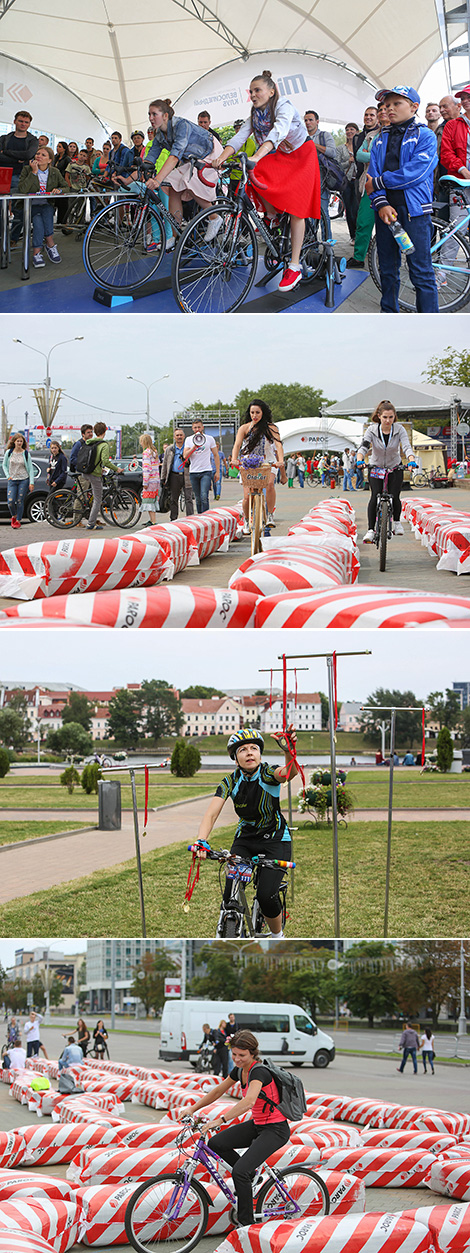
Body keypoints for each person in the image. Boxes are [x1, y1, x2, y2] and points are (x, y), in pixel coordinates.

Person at [214, 75, 321, 294]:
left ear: (271, 91)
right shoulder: (255, 114)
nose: (252, 95)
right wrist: (220, 158)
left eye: (257, 90)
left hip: (303, 155)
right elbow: (239, 138)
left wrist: (258, 154)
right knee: (253, 177)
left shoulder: (283, 106)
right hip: (282, 155)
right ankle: (272, 216)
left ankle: (294, 266)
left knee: (296, 208)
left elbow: (278, 131)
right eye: (250, 92)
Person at [195, 726, 298, 938]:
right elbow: (211, 814)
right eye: (242, 749)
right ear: (235, 758)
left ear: (260, 754)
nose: (249, 752)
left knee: (266, 895)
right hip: (246, 840)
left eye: (254, 748)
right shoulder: (230, 781)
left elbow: (289, 772)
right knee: (230, 894)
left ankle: (278, 937)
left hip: (275, 840)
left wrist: (288, 751)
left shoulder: (268, 773)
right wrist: (201, 841)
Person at [186, 1029, 291, 1226]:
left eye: (242, 1055)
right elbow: (218, 1090)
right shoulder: (238, 1070)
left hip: (275, 1129)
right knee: (216, 1143)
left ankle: (247, 1224)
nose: (237, 1059)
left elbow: (250, 1101)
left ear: (252, 1053)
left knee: (239, 1172)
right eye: (234, 1054)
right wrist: (192, 1108)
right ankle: (250, 1175)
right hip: (258, 1124)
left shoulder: (258, 1071)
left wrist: (221, 1120)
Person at [366, 86, 439, 313]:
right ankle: (389, 315)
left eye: (397, 104)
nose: (390, 109)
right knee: (388, 269)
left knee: (421, 271)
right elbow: (372, 173)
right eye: (387, 105)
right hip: (386, 212)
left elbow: (415, 173)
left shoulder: (425, 135)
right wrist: (381, 203)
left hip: (414, 211)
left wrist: (377, 184)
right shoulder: (379, 139)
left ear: (414, 107)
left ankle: (429, 324)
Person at [144, 99, 223, 245]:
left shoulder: (182, 125)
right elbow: (152, 155)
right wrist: (143, 167)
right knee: (172, 184)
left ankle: (214, 217)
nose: (150, 118)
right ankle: (175, 234)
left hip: (211, 153)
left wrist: (157, 180)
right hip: (194, 159)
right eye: (149, 114)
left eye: (154, 114)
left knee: (188, 181)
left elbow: (175, 156)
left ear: (165, 116)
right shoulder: (160, 134)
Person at [356, 400, 416, 542]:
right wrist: (360, 459)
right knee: (374, 495)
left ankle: (396, 522)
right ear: (379, 416)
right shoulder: (372, 430)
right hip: (376, 467)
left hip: (394, 466)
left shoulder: (399, 429)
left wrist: (411, 460)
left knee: (395, 495)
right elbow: (364, 446)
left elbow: (406, 446)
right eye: (385, 417)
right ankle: (371, 530)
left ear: (395, 416)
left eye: (391, 417)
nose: (388, 420)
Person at [231, 399, 286, 531]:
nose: (254, 415)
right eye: (252, 412)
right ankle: (245, 520)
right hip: (249, 463)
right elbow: (237, 445)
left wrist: (281, 461)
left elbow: (278, 445)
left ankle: (270, 514)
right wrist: (234, 459)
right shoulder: (244, 428)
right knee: (246, 496)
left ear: (263, 413)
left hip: (268, 463)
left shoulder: (271, 428)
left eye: (257, 412)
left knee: (270, 484)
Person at [18, 145, 67, 267]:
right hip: (30, 205)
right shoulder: (27, 170)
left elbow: (66, 186)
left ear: (50, 160)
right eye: (37, 154)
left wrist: (59, 190)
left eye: (43, 155)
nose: (38, 156)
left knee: (39, 220)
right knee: (40, 215)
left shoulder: (54, 172)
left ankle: (36, 253)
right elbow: (23, 189)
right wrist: (34, 172)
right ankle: (50, 244)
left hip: (45, 204)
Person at [346, 105, 382, 268]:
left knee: (388, 225)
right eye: (381, 110)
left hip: (390, 185)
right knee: (363, 222)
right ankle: (359, 257)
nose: (384, 113)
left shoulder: (402, 133)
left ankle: (385, 258)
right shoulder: (370, 135)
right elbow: (360, 155)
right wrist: (381, 156)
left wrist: (373, 156)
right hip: (368, 183)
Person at [0, 110, 39, 248]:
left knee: (19, 210)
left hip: (21, 177)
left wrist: (6, 153)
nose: (23, 124)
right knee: (1, 209)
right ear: (15, 121)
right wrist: (18, 158)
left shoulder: (32, 140)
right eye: (21, 121)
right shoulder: (4, 138)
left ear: (29, 124)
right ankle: (2, 236)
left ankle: (13, 237)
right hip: (3, 177)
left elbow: (29, 154)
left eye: (26, 122)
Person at [81, 421, 123, 531]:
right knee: (98, 499)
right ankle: (91, 523)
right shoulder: (103, 444)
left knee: (92, 496)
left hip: (85, 472)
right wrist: (116, 469)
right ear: (105, 431)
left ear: (95, 432)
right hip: (94, 474)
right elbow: (105, 461)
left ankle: (86, 513)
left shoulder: (89, 442)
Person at [303, 109, 337, 237]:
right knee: (309, 215)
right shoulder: (301, 137)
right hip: (306, 180)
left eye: (310, 120)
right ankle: (312, 247)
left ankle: (328, 246)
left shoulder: (324, 135)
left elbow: (332, 153)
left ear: (317, 121)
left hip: (322, 179)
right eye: (305, 120)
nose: (308, 123)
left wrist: (313, 145)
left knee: (323, 213)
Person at [183, 418, 220, 515]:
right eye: (195, 427)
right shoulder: (189, 439)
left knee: (204, 496)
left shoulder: (209, 438)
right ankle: (200, 517)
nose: (197, 429)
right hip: (193, 472)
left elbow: (216, 455)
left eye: (199, 427)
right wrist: (194, 447)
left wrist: (217, 472)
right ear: (192, 428)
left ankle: (206, 517)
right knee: (198, 498)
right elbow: (185, 455)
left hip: (206, 471)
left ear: (202, 427)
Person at [2, 432, 35, 529]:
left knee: (20, 500)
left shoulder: (25, 453)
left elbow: (30, 468)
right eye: (18, 441)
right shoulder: (9, 452)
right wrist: (8, 475)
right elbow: (4, 465)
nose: (19, 443)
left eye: (21, 441)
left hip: (23, 480)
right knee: (11, 501)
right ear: (14, 442)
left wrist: (31, 483)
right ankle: (14, 515)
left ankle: (18, 520)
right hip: (12, 480)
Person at [161, 428, 194, 520]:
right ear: (174, 437)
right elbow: (165, 464)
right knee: (173, 499)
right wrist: (163, 478)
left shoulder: (188, 448)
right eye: (177, 435)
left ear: (184, 436)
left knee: (188, 498)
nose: (179, 437)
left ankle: (190, 518)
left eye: (181, 435)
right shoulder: (169, 449)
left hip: (187, 476)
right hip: (174, 476)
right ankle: (173, 519)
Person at [336, 122, 360, 239]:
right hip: (346, 182)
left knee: (356, 209)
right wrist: (348, 162)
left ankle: (359, 234)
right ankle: (353, 236)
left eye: (352, 129)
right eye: (347, 129)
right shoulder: (341, 148)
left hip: (358, 181)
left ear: (357, 132)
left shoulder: (361, 147)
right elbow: (336, 166)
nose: (349, 131)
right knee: (349, 210)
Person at [139, 432, 160, 526]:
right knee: (153, 500)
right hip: (156, 479)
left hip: (150, 480)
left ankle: (153, 521)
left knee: (148, 501)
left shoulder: (146, 453)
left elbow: (147, 468)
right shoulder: (154, 452)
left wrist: (145, 482)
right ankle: (152, 519)